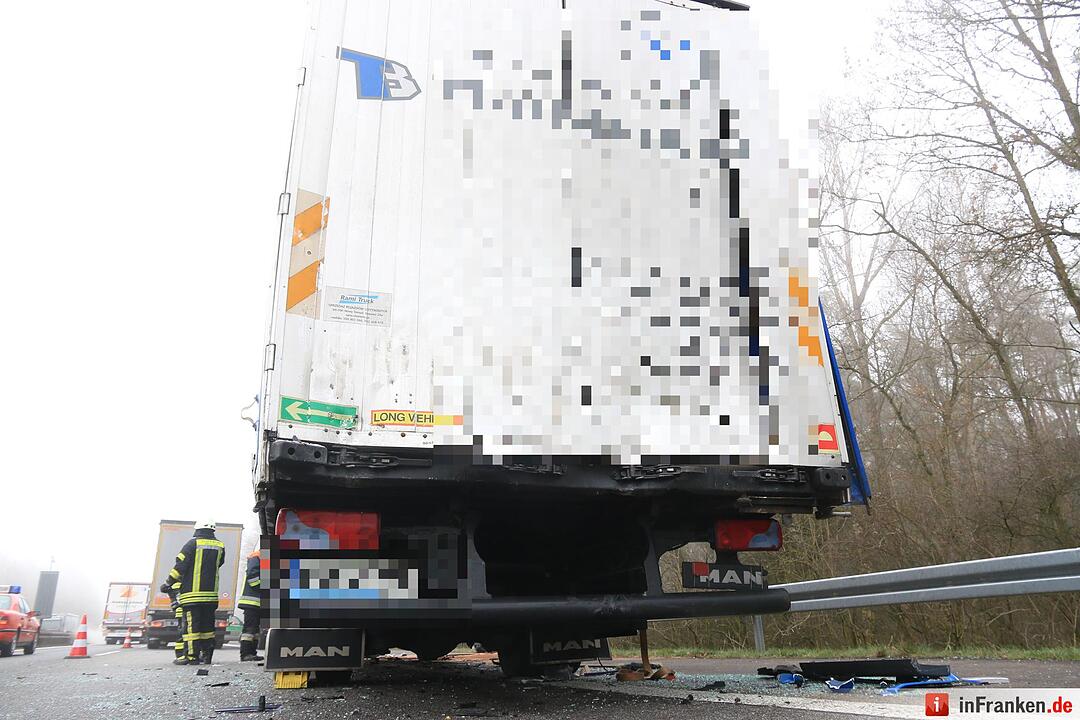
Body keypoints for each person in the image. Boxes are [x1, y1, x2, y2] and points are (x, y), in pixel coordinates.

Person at [161, 519, 224, 665]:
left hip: (191, 596)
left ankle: (192, 657)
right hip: (211, 597)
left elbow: (180, 567)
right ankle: (207, 656)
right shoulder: (220, 546)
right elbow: (219, 563)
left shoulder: (192, 544)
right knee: (208, 628)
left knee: (192, 629)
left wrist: (168, 583)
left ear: (197, 530)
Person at [237, 547, 264, 662]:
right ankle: (245, 654)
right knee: (249, 629)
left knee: (255, 630)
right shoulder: (257, 556)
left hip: (257, 601)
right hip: (252, 600)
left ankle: (252, 653)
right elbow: (253, 578)